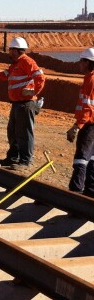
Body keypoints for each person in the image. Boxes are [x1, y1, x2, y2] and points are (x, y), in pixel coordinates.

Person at [0, 37, 45, 169]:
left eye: (11, 50)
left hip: (26, 103)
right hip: (17, 103)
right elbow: (4, 75)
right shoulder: (15, 64)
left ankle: (25, 161)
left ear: (16, 50)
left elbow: (40, 77)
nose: (9, 52)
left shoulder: (27, 62)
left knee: (24, 133)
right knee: (12, 131)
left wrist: (33, 91)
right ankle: (13, 157)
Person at [66, 47, 94, 196]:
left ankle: (75, 191)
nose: (79, 64)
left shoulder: (91, 79)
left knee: (81, 159)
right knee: (92, 158)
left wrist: (77, 126)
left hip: (89, 125)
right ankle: (90, 191)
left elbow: (88, 107)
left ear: (87, 62)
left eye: (81, 61)